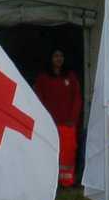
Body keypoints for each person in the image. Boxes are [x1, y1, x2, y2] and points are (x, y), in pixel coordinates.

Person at [33, 47, 82, 186]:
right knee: (47, 152)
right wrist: (42, 120)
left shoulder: (71, 77)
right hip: (49, 124)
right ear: (50, 58)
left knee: (67, 154)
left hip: (67, 124)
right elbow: (37, 99)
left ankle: (66, 181)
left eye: (61, 55)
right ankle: (48, 182)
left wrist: (73, 120)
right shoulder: (42, 77)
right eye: (55, 55)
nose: (58, 58)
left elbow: (77, 99)